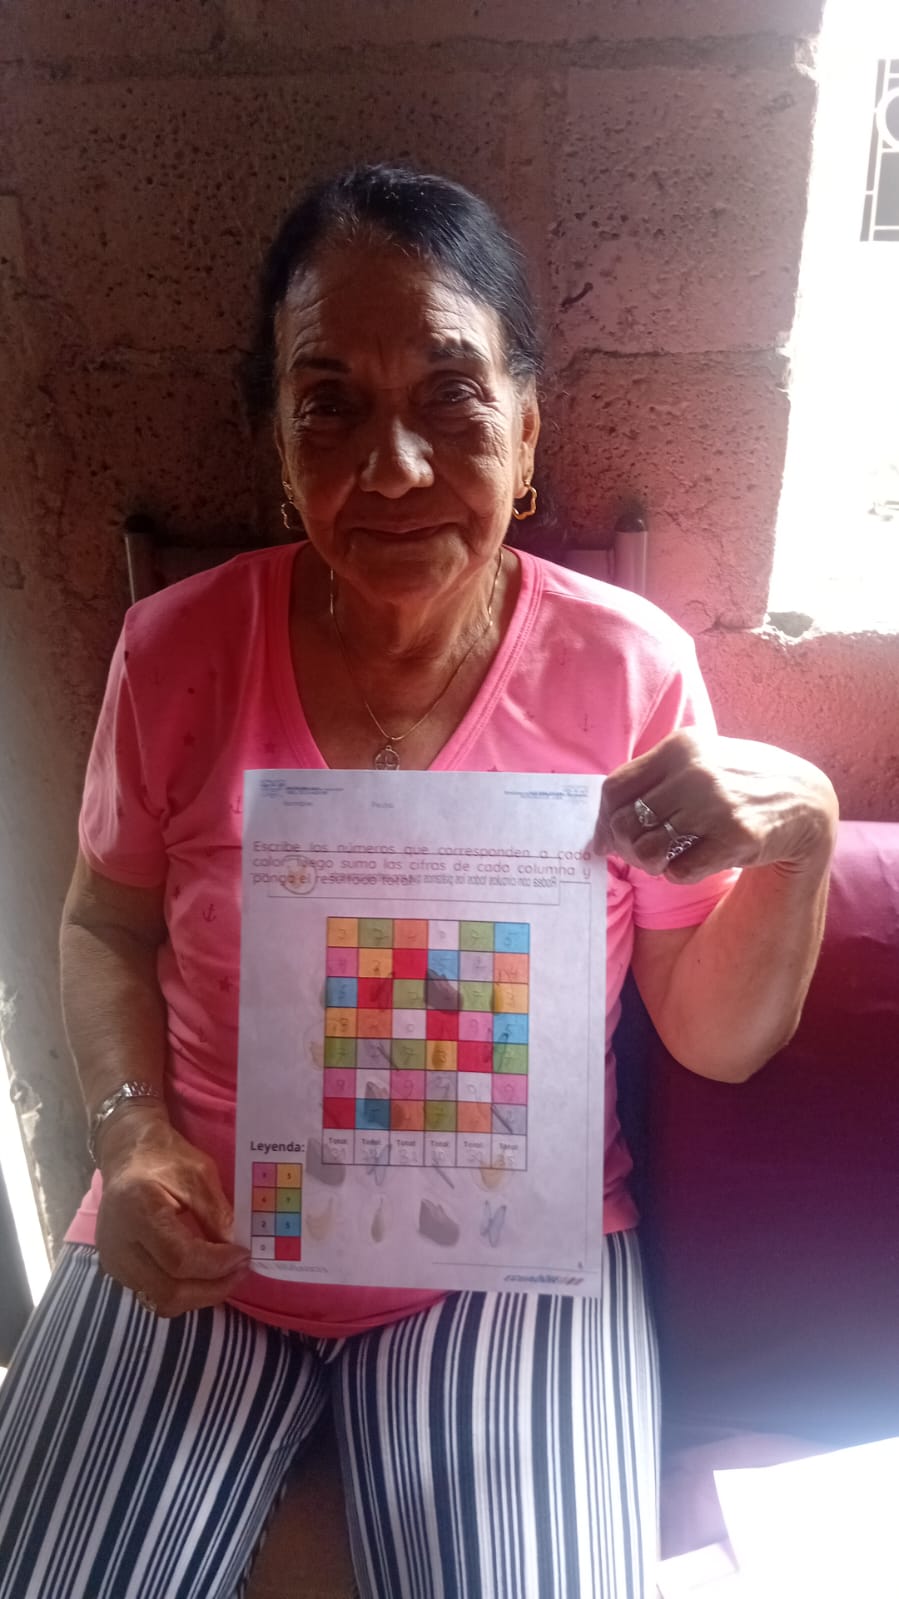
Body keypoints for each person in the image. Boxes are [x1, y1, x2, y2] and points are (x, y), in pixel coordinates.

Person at [0, 164, 838, 1599]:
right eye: (328, 405)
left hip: (507, 1271)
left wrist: (802, 832)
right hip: (204, 1246)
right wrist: (131, 1136)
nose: (391, 469)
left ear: (528, 425)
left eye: (451, 398)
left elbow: (716, 1037)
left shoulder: (628, 668)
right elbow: (104, 920)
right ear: (276, 442)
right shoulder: (177, 651)